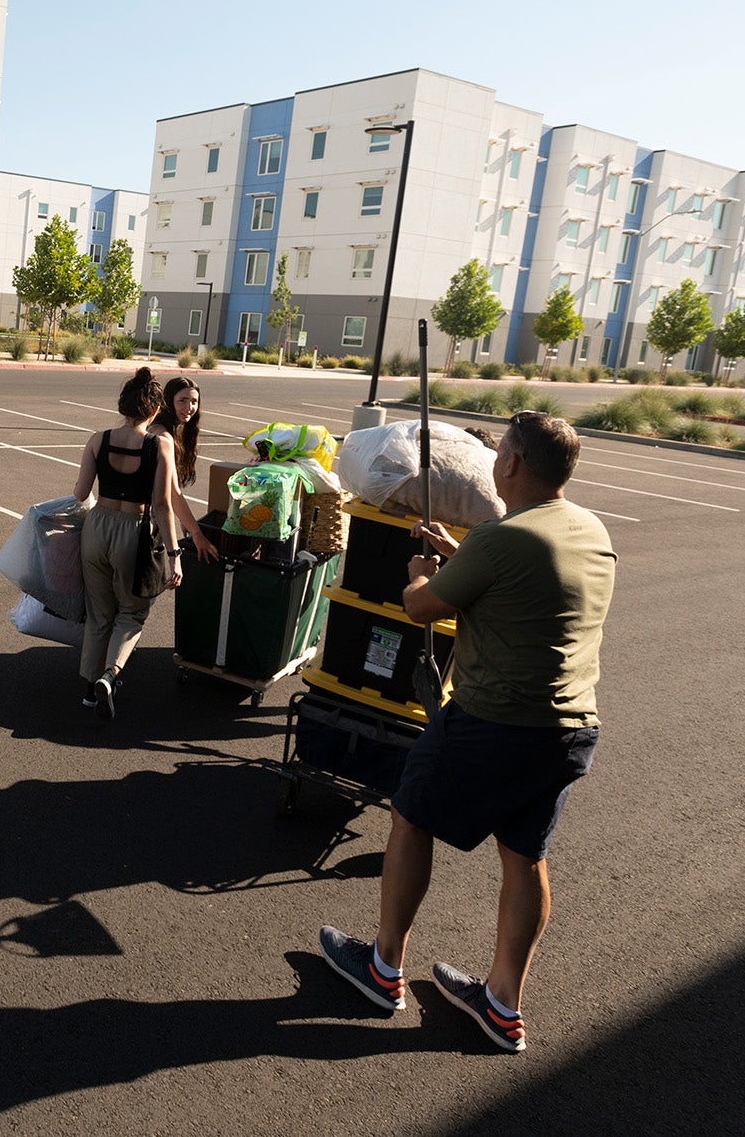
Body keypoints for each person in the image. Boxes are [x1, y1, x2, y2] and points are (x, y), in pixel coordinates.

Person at [318, 411, 615, 1053]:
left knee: (409, 818)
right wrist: (461, 559)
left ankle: (382, 969)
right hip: (567, 730)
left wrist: (424, 572)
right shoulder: (589, 531)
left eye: (500, 450)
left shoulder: (498, 538)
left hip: (492, 720)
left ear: (510, 464)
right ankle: (504, 1004)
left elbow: (422, 607)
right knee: (525, 856)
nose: (494, 459)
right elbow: (525, 588)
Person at [69, 368, 182, 720]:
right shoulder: (159, 444)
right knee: (131, 611)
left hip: (97, 526)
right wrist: (175, 555)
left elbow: (80, 493)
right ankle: (111, 672)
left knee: (99, 612)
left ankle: (89, 690)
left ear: (124, 406)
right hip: (134, 530)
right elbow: (162, 505)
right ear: (153, 411)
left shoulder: (98, 438)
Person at [155, 377, 219, 562]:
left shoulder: (174, 430)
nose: (189, 407)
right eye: (182, 400)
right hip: (141, 522)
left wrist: (185, 520)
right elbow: (173, 493)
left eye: (194, 401)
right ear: (168, 401)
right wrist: (197, 534)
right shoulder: (161, 434)